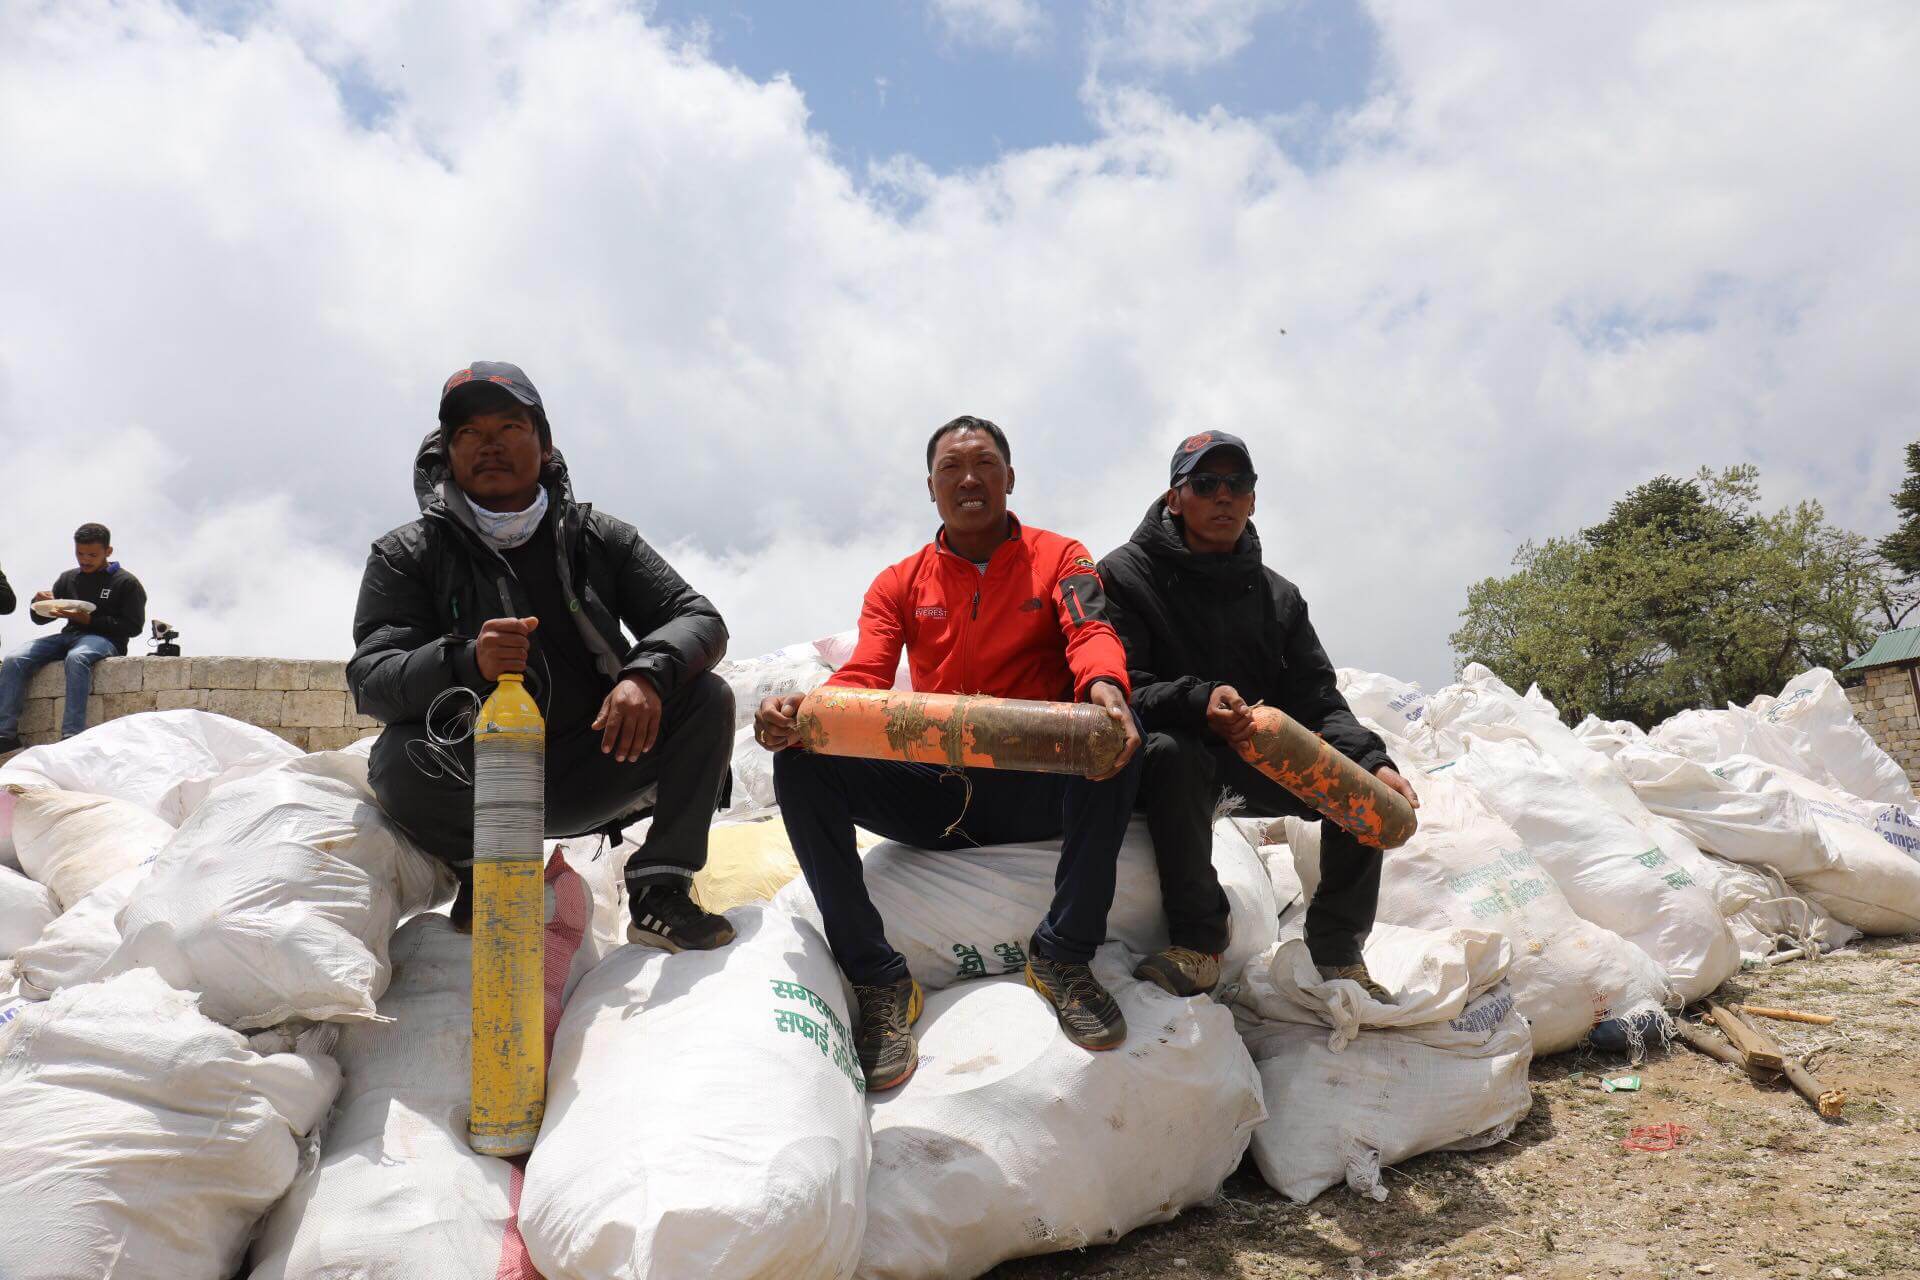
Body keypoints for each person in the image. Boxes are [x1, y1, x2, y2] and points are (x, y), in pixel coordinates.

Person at [756, 415, 1144, 1091]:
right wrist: (805, 714)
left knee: (1119, 740)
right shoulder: (900, 582)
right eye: (951, 469)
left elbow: (1090, 630)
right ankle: (879, 983)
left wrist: (1106, 686)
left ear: (1010, 478)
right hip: (940, 793)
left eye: (986, 464)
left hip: (1035, 787)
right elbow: (865, 677)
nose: (969, 479)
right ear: (931, 488)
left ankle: (1063, 956)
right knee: (801, 761)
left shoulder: (1060, 556)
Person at [350, 361, 736, 951]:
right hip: (475, 775)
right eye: (469, 434)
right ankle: (485, 875)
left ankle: (661, 890)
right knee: (400, 757)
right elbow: (372, 679)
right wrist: (464, 660)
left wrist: (645, 676)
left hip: (598, 758)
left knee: (705, 698)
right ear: (446, 453)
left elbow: (699, 619)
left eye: (509, 428)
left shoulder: (600, 536)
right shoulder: (408, 553)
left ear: (545, 444)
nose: (490, 446)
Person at [1098, 432, 1420, 1000]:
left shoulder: (1280, 598)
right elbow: (1122, 687)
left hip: (1257, 757)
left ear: (1253, 499)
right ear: (1174, 497)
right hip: (1165, 762)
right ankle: (1199, 945)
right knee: (1176, 751)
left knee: (1360, 783)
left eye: (1237, 484)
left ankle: (1339, 955)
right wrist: (1198, 701)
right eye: (1205, 483)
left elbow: (1320, 700)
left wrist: (1374, 760)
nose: (1223, 496)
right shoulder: (1126, 575)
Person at [0, 524, 148, 751]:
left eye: (92, 555)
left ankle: (71, 736)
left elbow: (133, 626)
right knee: (15, 659)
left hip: (105, 640)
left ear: (108, 552)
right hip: (69, 635)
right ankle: (5, 736)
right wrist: (36, 603)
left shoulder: (125, 582)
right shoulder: (69, 578)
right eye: (80, 553)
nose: (85, 560)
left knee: (77, 658)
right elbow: (42, 618)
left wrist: (90, 621)